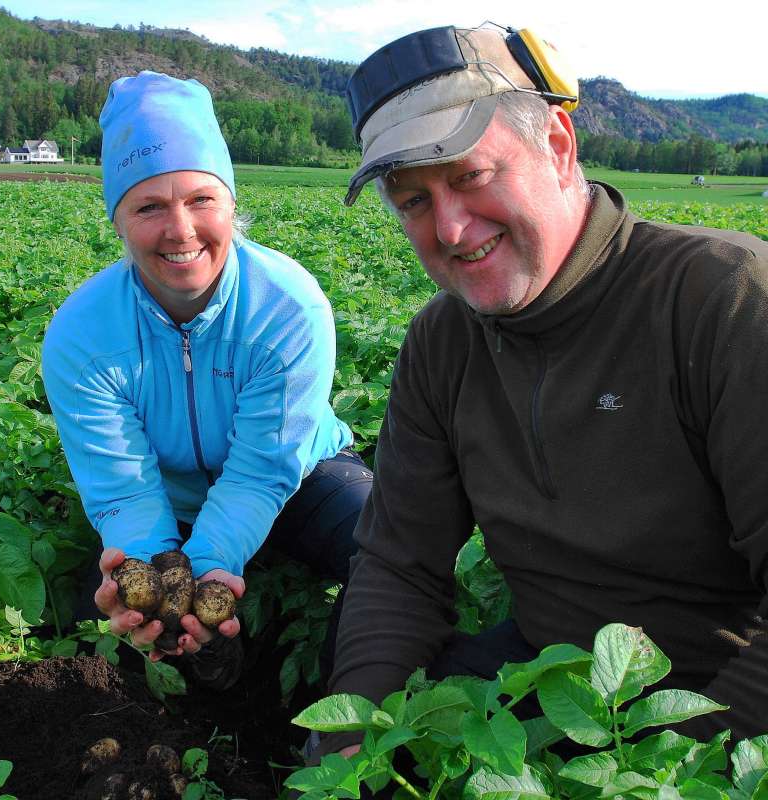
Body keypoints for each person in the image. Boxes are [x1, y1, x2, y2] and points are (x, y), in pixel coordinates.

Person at [321, 23, 768, 755]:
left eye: (470, 175)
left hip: (728, 698)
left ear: (558, 145)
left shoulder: (723, 301)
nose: (453, 228)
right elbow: (400, 562)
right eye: (413, 201)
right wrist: (353, 746)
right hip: (552, 681)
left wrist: (683, 771)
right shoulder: (443, 342)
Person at [41, 71, 373, 688]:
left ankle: (342, 721)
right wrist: (164, 569)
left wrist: (212, 562)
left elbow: (261, 469)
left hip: (299, 475)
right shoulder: (82, 336)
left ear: (230, 205)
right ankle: (216, 671)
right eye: (149, 206)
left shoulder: (287, 307)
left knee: (383, 546)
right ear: (118, 220)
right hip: (168, 499)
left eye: (201, 200)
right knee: (137, 609)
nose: (181, 229)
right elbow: (124, 491)